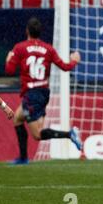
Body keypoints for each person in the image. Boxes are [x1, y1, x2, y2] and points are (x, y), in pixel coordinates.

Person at [5, 17, 83, 165]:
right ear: (40, 32)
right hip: (43, 93)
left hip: (31, 94)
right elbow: (65, 67)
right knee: (17, 119)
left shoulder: (20, 48)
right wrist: (74, 61)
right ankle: (23, 158)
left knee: (38, 135)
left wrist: (8, 59)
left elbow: (9, 70)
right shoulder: (48, 49)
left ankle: (69, 134)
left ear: (27, 31)